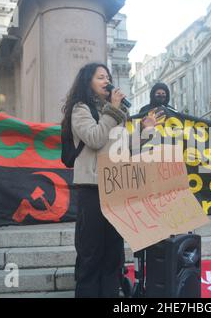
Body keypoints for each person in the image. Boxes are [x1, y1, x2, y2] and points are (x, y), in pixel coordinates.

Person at [61, 63, 162, 298]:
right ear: (88, 82)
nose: (107, 81)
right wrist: (113, 110)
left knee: (113, 255)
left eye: (108, 76)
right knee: (91, 254)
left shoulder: (115, 113)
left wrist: (145, 131)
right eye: (100, 77)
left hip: (116, 188)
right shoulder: (80, 109)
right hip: (92, 189)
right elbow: (95, 138)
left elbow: (125, 148)